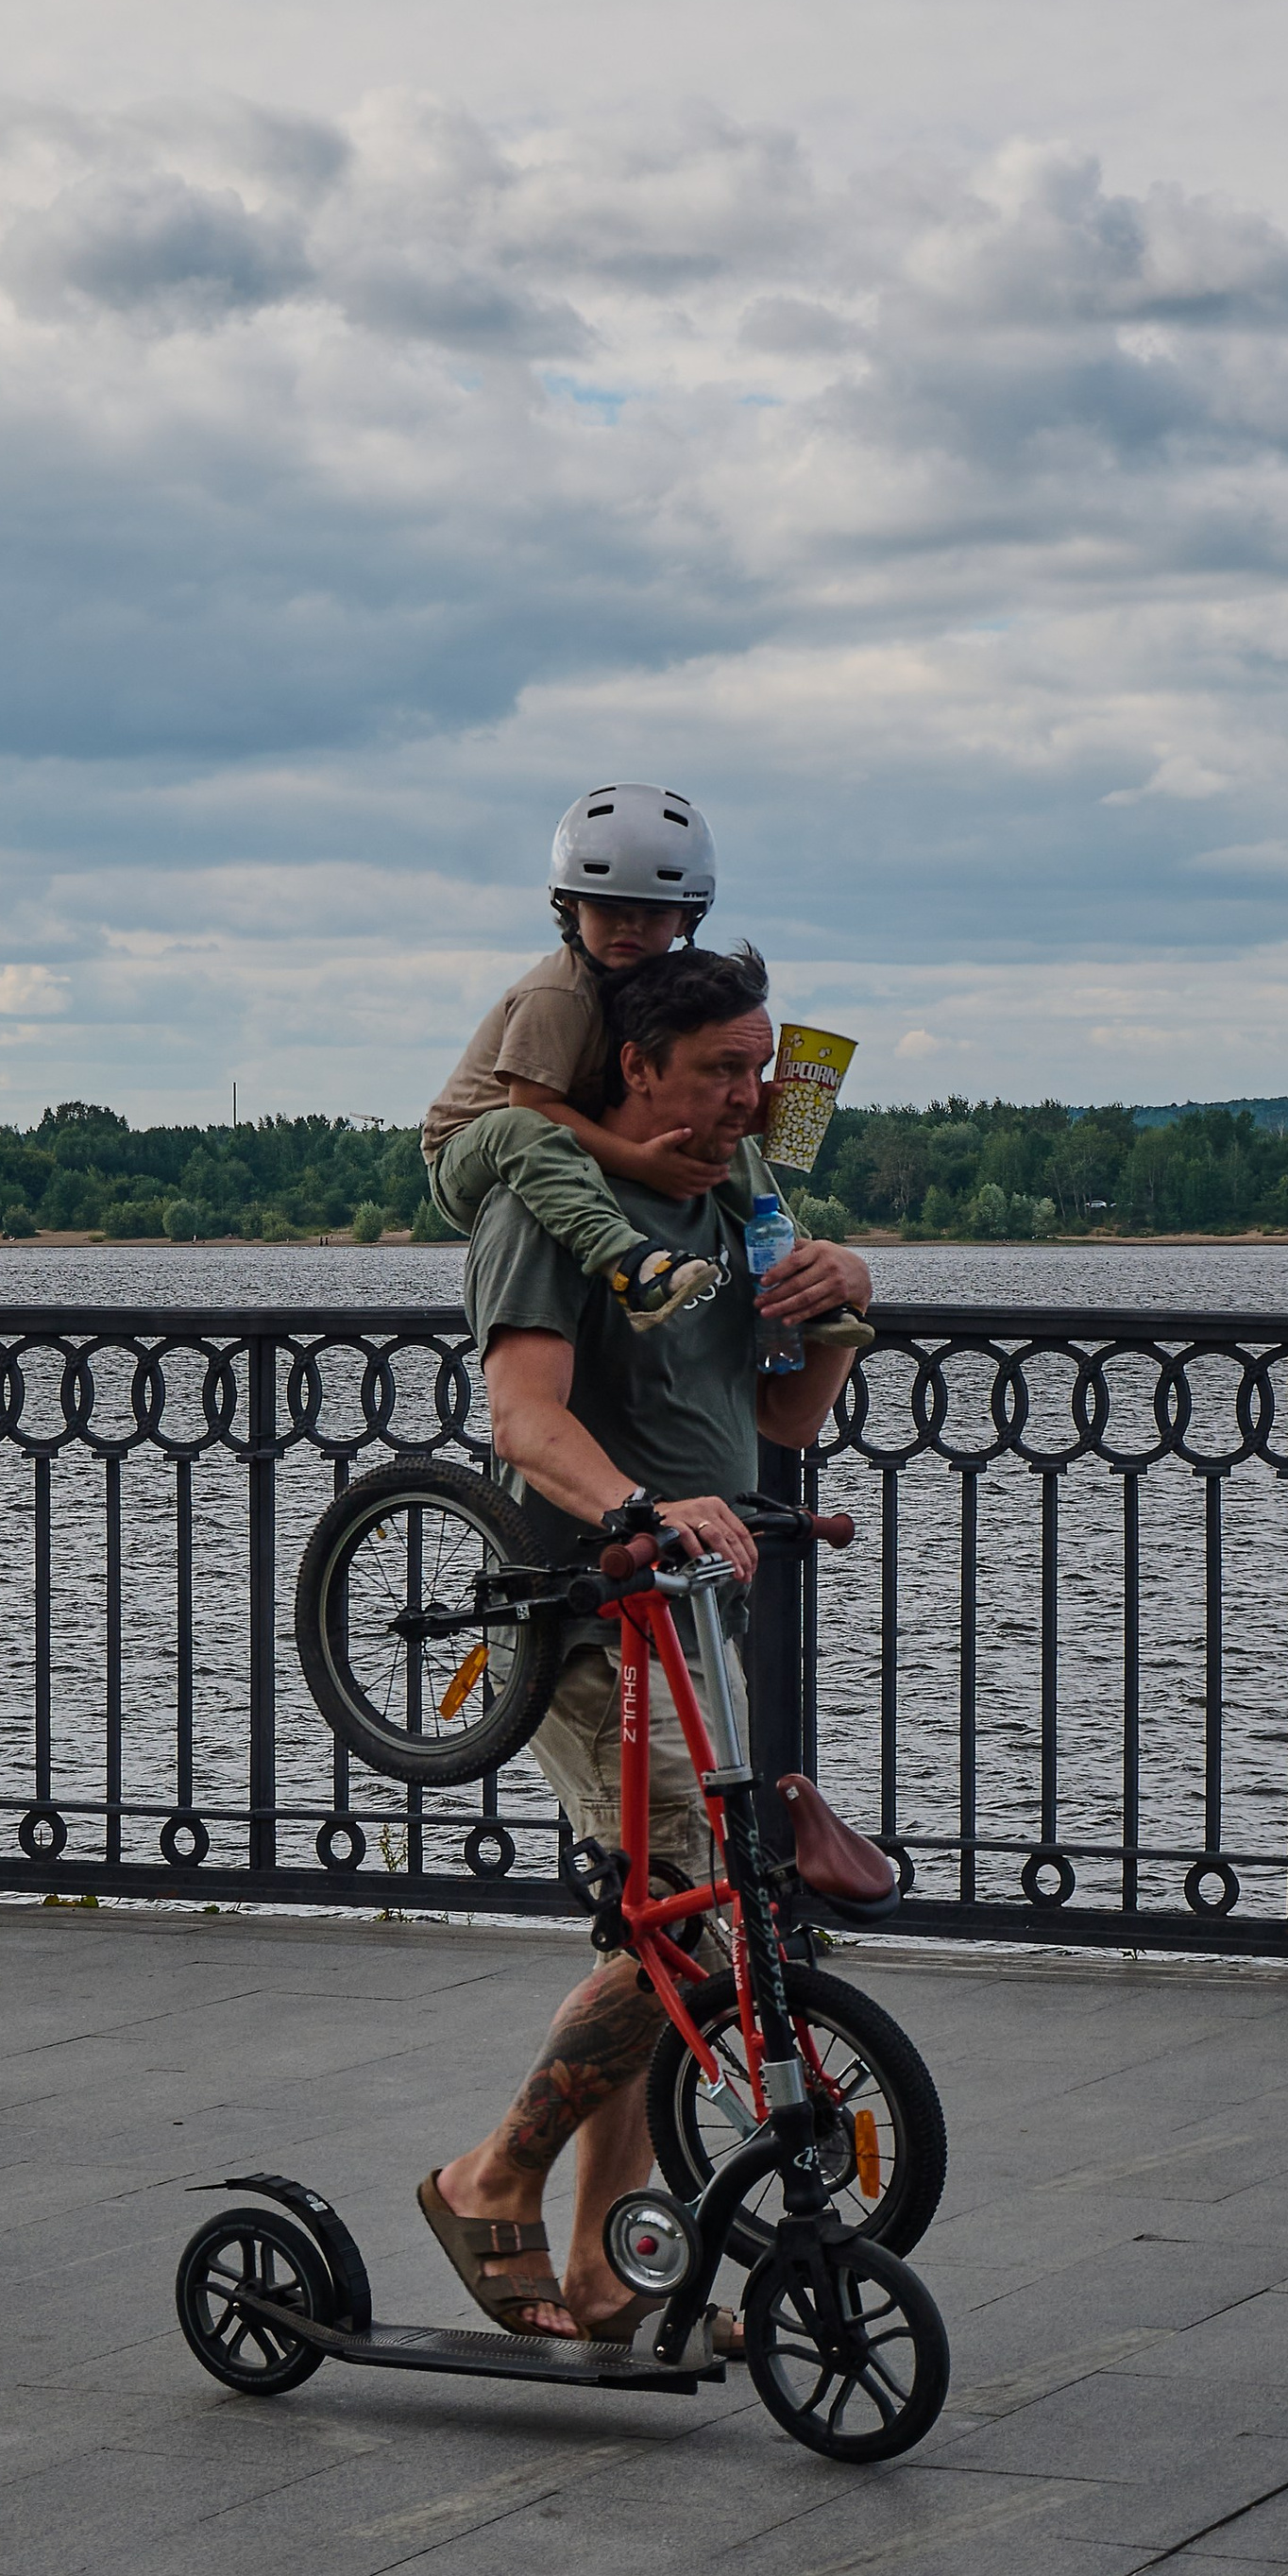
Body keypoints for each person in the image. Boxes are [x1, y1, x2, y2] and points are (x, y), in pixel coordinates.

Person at [415, 942, 877, 2342]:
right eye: (720, 1070)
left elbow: (780, 1428)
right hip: (585, 1609)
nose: (752, 1094)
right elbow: (524, 1423)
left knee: (674, 1930)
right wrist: (644, 1507)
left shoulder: (738, 1200)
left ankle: (613, 2266)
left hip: (692, 1612)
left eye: (762, 1065)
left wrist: (846, 1304)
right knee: (696, 1922)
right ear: (635, 1068)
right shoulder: (546, 1202)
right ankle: (490, 2179)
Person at [420, 782, 731, 1331]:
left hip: (570, 1140)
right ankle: (629, 1267)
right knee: (515, 1125)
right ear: (570, 903)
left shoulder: (651, 992)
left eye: (651, 913)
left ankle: (792, 1263)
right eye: (609, 909)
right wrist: (639, 1163)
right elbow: (533, 1108)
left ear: (686, 919)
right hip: (475, 1154)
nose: (629, 927)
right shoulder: (558, 993)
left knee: (707, 1108)